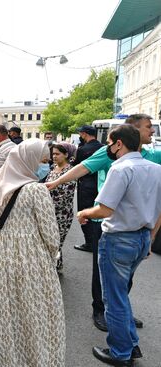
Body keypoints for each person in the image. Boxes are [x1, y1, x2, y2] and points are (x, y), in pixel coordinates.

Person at [46, 114, 160, 332]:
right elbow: (84, 168)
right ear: (133, 132)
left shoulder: (152, 157)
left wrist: (151, 234)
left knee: (125, 275)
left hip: (137, 231)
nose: (152, 131)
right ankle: (101, 310)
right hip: (109, 224)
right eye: (148, 127)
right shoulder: (112, 155)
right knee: (104, 273)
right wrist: (56, 182)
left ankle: (120, 312)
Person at [76, 125, 161, 367]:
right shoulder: (156, 169)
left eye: (110, 143)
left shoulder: (120, 168)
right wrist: (150, 239)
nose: (108, 148)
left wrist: (84, 212)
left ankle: (120, 352)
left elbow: (105, 208)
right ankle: (130, 344)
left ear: (119, 144)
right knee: (120, 294)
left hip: (119, 239)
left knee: (113, 299)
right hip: (142, 237)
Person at [0, 139, 65, 367]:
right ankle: (34, 359)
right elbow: (50, 234)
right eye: (43, 161)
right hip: (32, 258)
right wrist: (52, 255)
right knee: (34, 311)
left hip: (2, 255)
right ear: (29, 161)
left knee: (6, 308)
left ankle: (4, 357)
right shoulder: (36, 190)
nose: (45, 166)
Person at [45, 143, 77, 272]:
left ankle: (52, 268)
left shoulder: (69, 171)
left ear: (66, 155)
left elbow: (65, 197)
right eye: (53, 154)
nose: (54, 156)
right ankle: (56, 266)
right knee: (51, 240)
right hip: (49, 211)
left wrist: (46, 205)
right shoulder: (53, 168)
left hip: (62, 214)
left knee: (56, 241)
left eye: (57, 154)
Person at [73, 125, 103, 253]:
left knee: (84, 212)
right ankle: (98, 240)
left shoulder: (82, 149)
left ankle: (89, 242)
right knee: (98, 212)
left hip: (85, 184)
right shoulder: (103, 148)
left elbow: (78, 167)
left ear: (84, 134)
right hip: (100, 183)